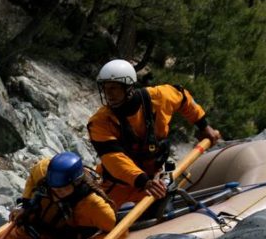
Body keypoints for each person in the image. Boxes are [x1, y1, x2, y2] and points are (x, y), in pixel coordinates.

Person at [87, 58, 222, 210]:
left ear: (128, 87)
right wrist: (143, 181)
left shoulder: (158, 97)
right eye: (105, 88)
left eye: (113, 88)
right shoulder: (99, 122)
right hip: (120, 185)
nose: (108, 94)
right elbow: (114, 160)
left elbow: (183, 97)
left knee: (163, 210)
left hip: (154, 177)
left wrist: (203, 126)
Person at [0, 151, 118, 239]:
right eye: (53, 189)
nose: (56, 194)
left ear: (77, 183)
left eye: (62, 190)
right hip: (27, 230)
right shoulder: (43, 170)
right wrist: (24, 205)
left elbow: (118, 231)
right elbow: (32, 180)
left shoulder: (93, 205)